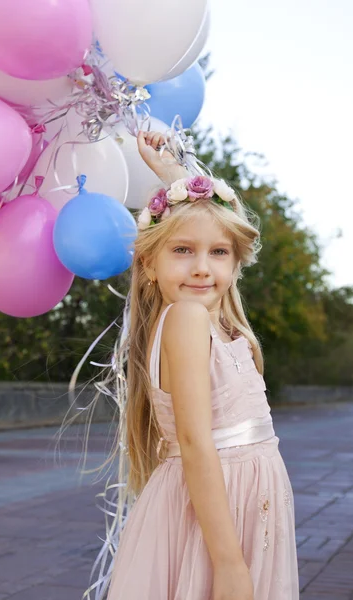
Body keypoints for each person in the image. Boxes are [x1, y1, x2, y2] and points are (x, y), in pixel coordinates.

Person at [88, 129, 299, 600]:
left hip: (238, 505)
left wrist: (174, 178)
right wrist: (227, 564)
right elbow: (195, 443)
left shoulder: (216, 323)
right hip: (215, 516)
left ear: (235, 265)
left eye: (218, 253)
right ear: (149, 264)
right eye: (182, 251)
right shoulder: (184, 318)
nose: (203, 267)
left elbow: (209, 226)